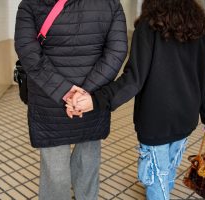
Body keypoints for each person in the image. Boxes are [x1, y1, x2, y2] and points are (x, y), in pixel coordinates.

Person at [66, 0, 205, 199]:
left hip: (154, 120)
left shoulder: (150, 25)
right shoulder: (201, 27)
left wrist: (97, 100)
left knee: (158, 177)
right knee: (168, 169)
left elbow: (133, 79)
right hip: (186, 117)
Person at [14, 0, 128, 199]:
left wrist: (65, 91)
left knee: (55, 172)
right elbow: (116, 52)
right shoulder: (110, 3)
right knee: (88, 161)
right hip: (91, 100)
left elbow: (28, 52)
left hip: (49, 98)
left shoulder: (30, 4)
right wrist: (84, 93)